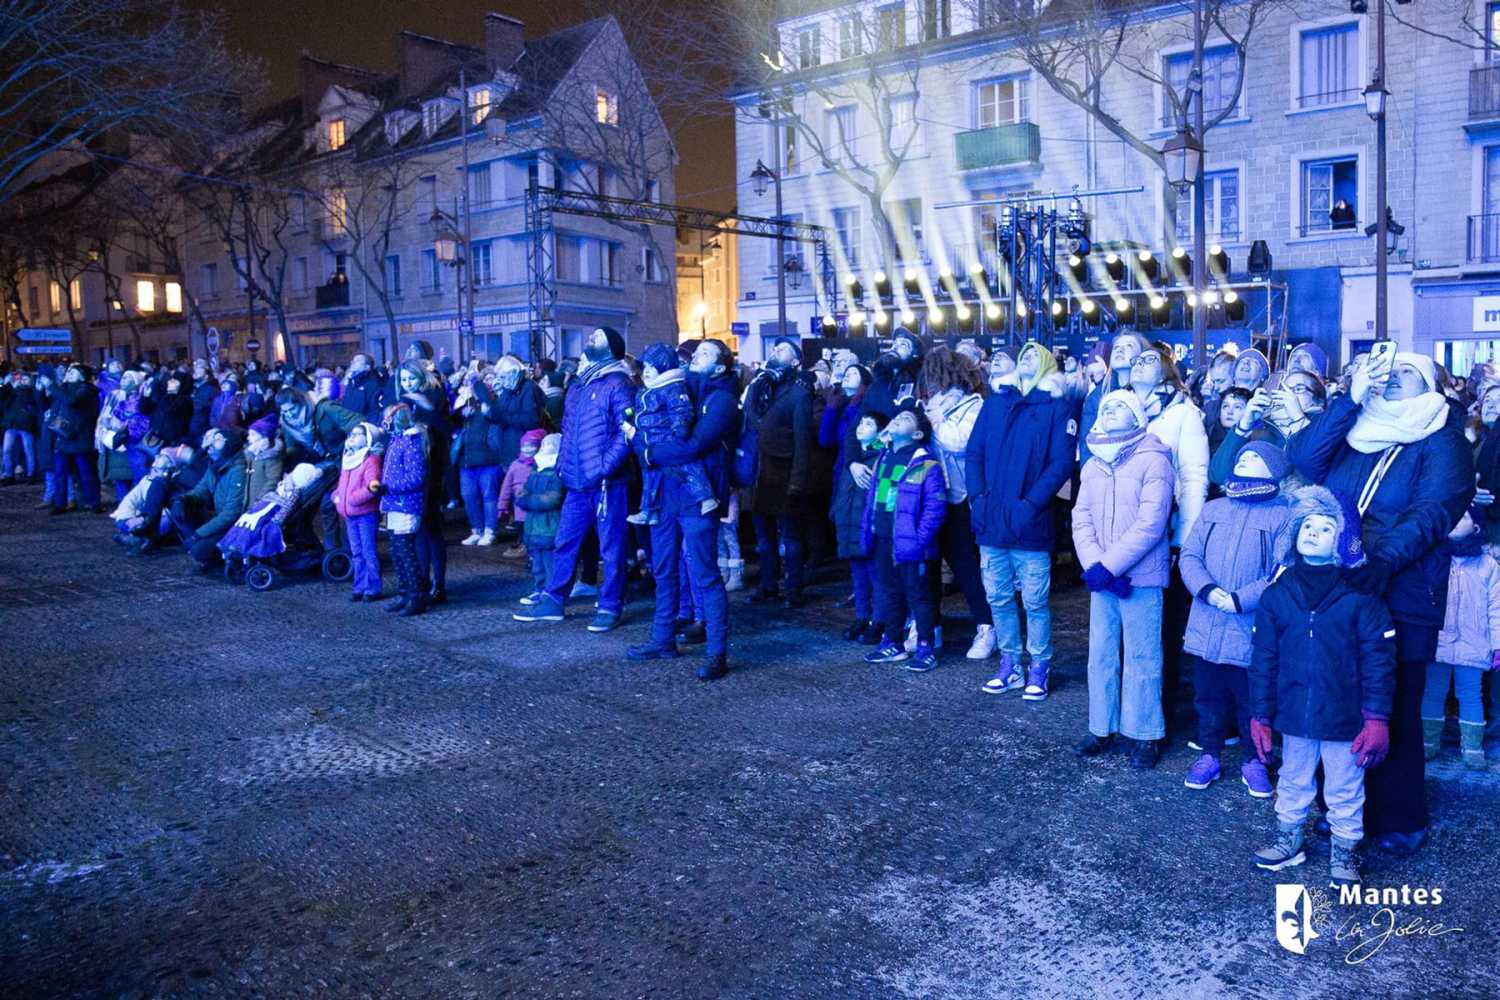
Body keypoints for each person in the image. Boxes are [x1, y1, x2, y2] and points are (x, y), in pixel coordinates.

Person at [1288, 350, 1474, 856]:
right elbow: (1304, 460)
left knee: (1394, 703)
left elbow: (1434, 510)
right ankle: (1344, 810)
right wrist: (1347, 402)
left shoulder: (1443, 440)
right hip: (1340, 587)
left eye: (1407, 373)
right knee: (1342, 698)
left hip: (1405, 589)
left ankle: (1399, 815)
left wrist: (1382, 560)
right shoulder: (1355, 429)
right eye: (1388, 373)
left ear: (1432, 387)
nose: (1393, 379)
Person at [1249, 486, 1395, 888]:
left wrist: (1376, 717)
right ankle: (1289, 836)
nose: (1312, 533)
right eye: (1306, 525)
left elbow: (1379, 663)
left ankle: (1345, 849)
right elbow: (1263, 660)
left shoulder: (1362, 599)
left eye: (1325, 527)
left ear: (1344, 540)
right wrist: (1260, 714)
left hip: (1345, 718)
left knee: (1346, 787)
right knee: (1293, 779)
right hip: (1294, 713)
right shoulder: (1278, 595)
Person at [1178, 441, 1294, 796]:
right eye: (1243, 454)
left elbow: (1282, 568)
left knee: (1252, 701)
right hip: (1206, 621)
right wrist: (1207, 590)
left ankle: (1255, 760)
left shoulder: (1284, 515)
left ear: (1274, 469)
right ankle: (1210, 755)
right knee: (1208, 696)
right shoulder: (1214, 507)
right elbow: (1190, 554)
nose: (1245, 457)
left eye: (1256, 456)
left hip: (1250, 627)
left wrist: (1241, 600)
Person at [1072, 389, 1175, 769]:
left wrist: (1108, 567)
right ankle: (1102, 727)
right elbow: (1080, 519)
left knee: (1143, 656)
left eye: (1120, 406)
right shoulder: (1093, 463)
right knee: (1100, 655)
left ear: (1136, 417)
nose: (1111, 410)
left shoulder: (1154, 459)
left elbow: (1151, 523)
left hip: (1141, 577)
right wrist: (1096, 567)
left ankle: (1145, 732)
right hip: (1103, 578)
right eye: (1106, 406)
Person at [966, 340, 1075, 698]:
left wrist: (1030, 505)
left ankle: (1039, 665)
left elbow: (1060, 463)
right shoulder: (997, 402)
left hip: (1031, 520)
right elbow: (975, 453)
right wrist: (979, 499)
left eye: (1035, 355)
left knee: (1035, 601)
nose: (1027, 358)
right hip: (992, 518)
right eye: (1023, 355)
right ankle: (1010, 663)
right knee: (997, 596)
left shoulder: (1057, 406)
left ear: (1047, 365)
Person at [625, 339, 739, 680]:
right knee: (663, 567)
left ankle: (717, 652)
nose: (694, 356)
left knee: (704, 573)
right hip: (664, 494)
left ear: (720, 367)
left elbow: (690, 446)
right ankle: (662, 640)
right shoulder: (677, 390)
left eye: (705, 353)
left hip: (696, 498)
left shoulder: (721, 400)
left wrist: (646, 451)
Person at [513, 326, 634, 632]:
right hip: (578, 481)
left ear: (611, 347)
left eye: (597, 337)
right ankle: (554, 601)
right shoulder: (579, 385)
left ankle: (609, 606)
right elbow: (567, 431)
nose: (590, 339)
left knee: (611, 548)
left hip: (608, 483)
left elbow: (627, 430)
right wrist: (564, 466)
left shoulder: (618, 383)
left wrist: (605, 466)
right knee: (565, 541)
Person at [860, 404, 947, 673]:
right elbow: (874, 496)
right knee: (889, 591)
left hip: (912, 544)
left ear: (919, 434)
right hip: (884, 537)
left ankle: (925, 646)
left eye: (906, 418)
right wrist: (870, 528)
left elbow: (935, 507)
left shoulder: (926, 462)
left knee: (919, 595)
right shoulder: (884, 457)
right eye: (896, 417)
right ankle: (893, 642)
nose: (897, 419)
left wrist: (919, 540)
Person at [921, 345, 993, 658]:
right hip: (930, 494)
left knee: (966, 565)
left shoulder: (973, 405)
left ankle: (986, 627)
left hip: (959, 496)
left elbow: (959, 442)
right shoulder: (928, 403)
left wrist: (933, 422)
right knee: (928, 564)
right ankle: (927, 627)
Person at [1421, 507, 1500, 769]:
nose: (1456, 520)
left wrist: (1497, 645)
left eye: (1464, 516)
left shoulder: (1488, 565)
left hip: (1474, 641)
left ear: (1476, 527)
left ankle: (1473, 748)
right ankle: (1427, 743)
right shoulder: (1436, 558)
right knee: (1433, 692)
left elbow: (1496, 607)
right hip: (1439, 641)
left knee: (1470, 695)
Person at [746, 337, 816, 609]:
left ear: (796, 362)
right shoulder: (764, 387)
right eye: (775, 348)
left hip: (784, 474)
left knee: (790, 537)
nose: (776, 351)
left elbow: (802, 441)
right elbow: (753, 420)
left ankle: (793, 589)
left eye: (783, 350)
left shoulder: (799, 394)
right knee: (764, 538)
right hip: (761, 474)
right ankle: (768, 584)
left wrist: (798, 482)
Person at [625, 342, 716, 526]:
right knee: (650, 476)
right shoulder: (647, 390)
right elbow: (640, 411)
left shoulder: (673, 388)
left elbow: (681, 410)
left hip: (668, 439)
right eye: (646, 366)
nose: (647, 371)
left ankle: (706, 498)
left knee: (689, 467)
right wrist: (629, 417)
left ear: (664, 366)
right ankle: (649, 510)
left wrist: (679, 431)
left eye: (652, 366)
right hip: (650, 441)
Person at [834, 410, 886, 643]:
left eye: (868, 424)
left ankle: (879, 619)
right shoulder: (853, 460)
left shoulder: (879, 457)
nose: (861, 427)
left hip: (868, 524)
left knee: (876, 573)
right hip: (850, 522)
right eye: (860, 423)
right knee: (858, 574)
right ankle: (862, 616)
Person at [170, 426, 248, 569]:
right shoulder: (215, 465)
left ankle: (217, 557)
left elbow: (230, 514)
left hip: (233, 525)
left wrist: (198, 535)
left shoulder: (237, 471)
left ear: (229, 444)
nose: (211, 444)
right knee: (179, 507)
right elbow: (201, 490)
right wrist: (183, 500)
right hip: (217, 517)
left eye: (218, 440)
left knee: (198, 551)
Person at [379, 403, 430, 617]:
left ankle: (415, 596)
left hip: (405, 504)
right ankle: (404, 593)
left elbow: (416, 478)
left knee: (406, 551)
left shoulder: (411, 442)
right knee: (397, 551)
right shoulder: (398, 440)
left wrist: (389, 487)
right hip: (394, 502)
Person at [332, 422, 385, 602]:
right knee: (356, 552)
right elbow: (342, 482)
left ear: (367, 438)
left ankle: (373, 587)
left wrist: (354, 498)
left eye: (357, 434)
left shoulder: (370, 460)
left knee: (368, 551)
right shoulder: (348, 458)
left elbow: (372, 485)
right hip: (350, 514)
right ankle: (359, 586)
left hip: (365, 513)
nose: (352, 437)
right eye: (351, 434)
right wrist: (337, 495)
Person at [515, 433, 564, 606]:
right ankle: (539, 589)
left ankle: (551, 592)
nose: (544, 447)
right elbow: (524, 491)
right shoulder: (537, 468)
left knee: (550, 563)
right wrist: (526, 499)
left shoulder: (557, 472)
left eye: (549, 445)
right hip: (534, 526)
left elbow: (552, 499)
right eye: (544, 444)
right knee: (537, 564)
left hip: (549, 526)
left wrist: (527, 501)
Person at [49, 364, 103, 514]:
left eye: (74, 371)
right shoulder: (64, 388)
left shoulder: (87, 390)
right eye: (69, 371)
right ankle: (60, 503)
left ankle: (94, 502)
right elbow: (57, 408)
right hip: (63, 436)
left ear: (82, 375)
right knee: (60, 473)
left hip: (81, 437)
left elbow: (71, 401)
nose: (69, 373)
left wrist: (53, 386)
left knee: (86, 473)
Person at [498, 428, 545, 555]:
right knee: (523, 531)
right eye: (525, 446)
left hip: (536, 507)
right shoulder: (515, 465)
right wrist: (502, 506)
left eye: (532, 446)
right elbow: (506, 487)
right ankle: (526, 550)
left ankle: (532, 556)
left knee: (535, 532)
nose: (527, 449)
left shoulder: (541, 465)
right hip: (520, 510)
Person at [1, 370, 41, 484]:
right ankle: (9, 474)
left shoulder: (31, 392)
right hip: (12, 424)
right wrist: (6, 385)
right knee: (7, 450)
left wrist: (15, 388)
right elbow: (3, 398)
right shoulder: (12, 390)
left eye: (25, 379)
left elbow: (31, 402)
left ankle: (31, 474)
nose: (22, 381)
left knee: (29, 450)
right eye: (21, 379)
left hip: (26, 425)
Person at [244, 413, 284, 502]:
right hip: (247, 500)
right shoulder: (251, 454)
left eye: (253, 434)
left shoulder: (272, 457)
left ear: (264, 437)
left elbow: (273, 481)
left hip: (258, 501)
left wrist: (259, 499)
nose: (248, 438)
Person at [341, 354, 386, 423]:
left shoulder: (373, 384)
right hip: (349, 425)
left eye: (357, 360)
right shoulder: (352, 382)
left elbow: (375, 411)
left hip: (362, 427)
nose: (352, 362)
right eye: (353, 360)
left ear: (367, 367)